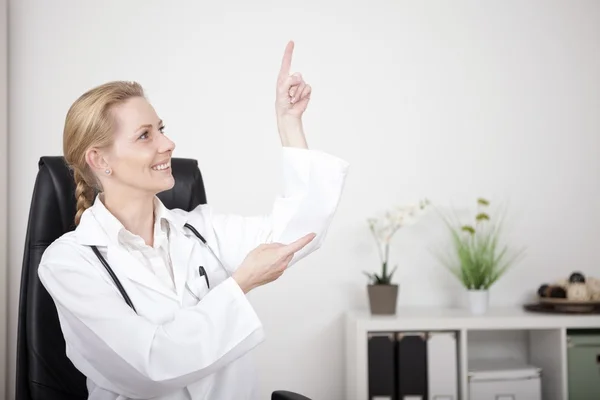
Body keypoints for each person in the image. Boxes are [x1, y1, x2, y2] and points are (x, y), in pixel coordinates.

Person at [37, 40, 349, 400]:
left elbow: (298, 234)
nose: (168, 143)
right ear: (99, 160)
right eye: (145, 135)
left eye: (161, 128)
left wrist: (289, 123)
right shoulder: (69, 263)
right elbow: (152, 366)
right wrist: (240, 285)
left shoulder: (200, 230)